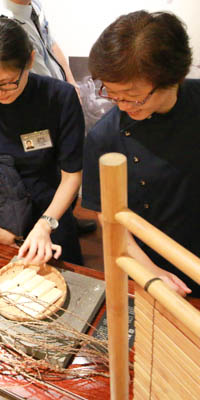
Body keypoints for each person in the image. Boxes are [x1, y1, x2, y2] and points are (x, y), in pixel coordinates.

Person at [0, 17, 84, 265]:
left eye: (8, 83)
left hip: (51, 210)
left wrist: (46, 225)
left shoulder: (60, 98)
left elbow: (72, 176)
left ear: (30, 60)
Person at [82, 11, 197, 296]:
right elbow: (108, 220)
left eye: (133, 96)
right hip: (153, 262)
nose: (121, 106)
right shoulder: (104, 138)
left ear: (173, 78)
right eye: (111, 93)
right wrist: (151, 272)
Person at [0, 0, 98, 235]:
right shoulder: (6, 22)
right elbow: (30, 79)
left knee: (67, 166)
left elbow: (51, 43)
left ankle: (66, 218)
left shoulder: (34, 5)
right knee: (46, 168)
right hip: (36, 110)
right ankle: (53, 224)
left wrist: (70, 81)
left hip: (58, 99)